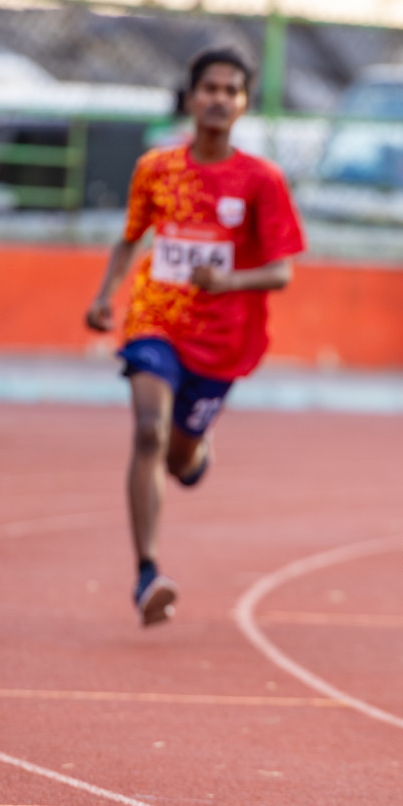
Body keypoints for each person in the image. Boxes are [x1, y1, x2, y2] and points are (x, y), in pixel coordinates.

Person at [84, 47, 306, 625]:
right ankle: (147, 574)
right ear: (190, 96)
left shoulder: (261, 180)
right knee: (148, 431)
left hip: (223, 343)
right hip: (155, 322)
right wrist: (105, 294)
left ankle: (196, 449)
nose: (218, 98)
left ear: (244, 104)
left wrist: (228, 279)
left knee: (180, 459)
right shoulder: (156, 168)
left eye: (231, 90)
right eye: (208, 87)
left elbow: (282, 270)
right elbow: (131, 236)